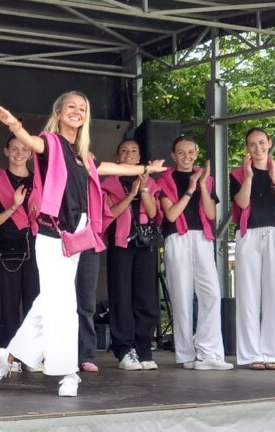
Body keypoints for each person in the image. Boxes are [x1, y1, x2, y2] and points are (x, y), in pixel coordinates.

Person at [0, 91, 165, 396]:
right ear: (59, 112)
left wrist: (145, 170)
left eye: (83, 108)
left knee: (49, 304)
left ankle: (9, 356)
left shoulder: (83, 155)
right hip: (51, 233)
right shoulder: (51, 143)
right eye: (72, 107)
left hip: (76, 236)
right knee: (64, 307)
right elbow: (33, 143)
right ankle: (67, 373)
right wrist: (14, 125)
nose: (77, 112)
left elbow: (109, 168)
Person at [157, 136, 233, 371]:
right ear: (173, 155)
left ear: (196, 154)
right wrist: (189, 190)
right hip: (176, 237)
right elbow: (171, 215)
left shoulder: (205, 180)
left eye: (191, 152)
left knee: (210, 292)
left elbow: (210, 214)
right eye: (181, 152)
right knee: (181, 296)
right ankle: (185, 354)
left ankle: (209, 352)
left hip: (202, 237)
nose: (187, 157)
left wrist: (201, 185)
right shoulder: (164, 179)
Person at [231, 127, 275, 370]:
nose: (257, 148)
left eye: (261, 143)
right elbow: (242, 203)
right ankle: (250, 355)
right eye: (252, 144)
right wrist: (248, 177)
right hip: (249, 234)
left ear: (269, 143)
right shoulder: (237, 175)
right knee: (247, 295)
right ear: (247, 148)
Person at [102, 139, 161, 371]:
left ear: (139, 158)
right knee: (121, 298)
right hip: (120, 244)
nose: (128, 154)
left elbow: (154, 212)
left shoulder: (150, 182)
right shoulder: (109, 183)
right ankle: (125, 350)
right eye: (124, 151)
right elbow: (109, 214)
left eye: (134, 151)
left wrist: (143, 188)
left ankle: (144, 348)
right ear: (118, 157)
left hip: (145, 244)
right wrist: (129, 195)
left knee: (146, 296)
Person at [0, 137, 39, 349]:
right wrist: (13, 207)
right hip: (8, 246)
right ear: (6, 151)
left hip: (35, 244)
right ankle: (10, 353)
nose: (19, 153)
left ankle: (32, 353)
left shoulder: (37, 181)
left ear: (30, 154)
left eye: (24, 149)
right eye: (15, 149)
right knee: (9, 304)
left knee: (34, 303)